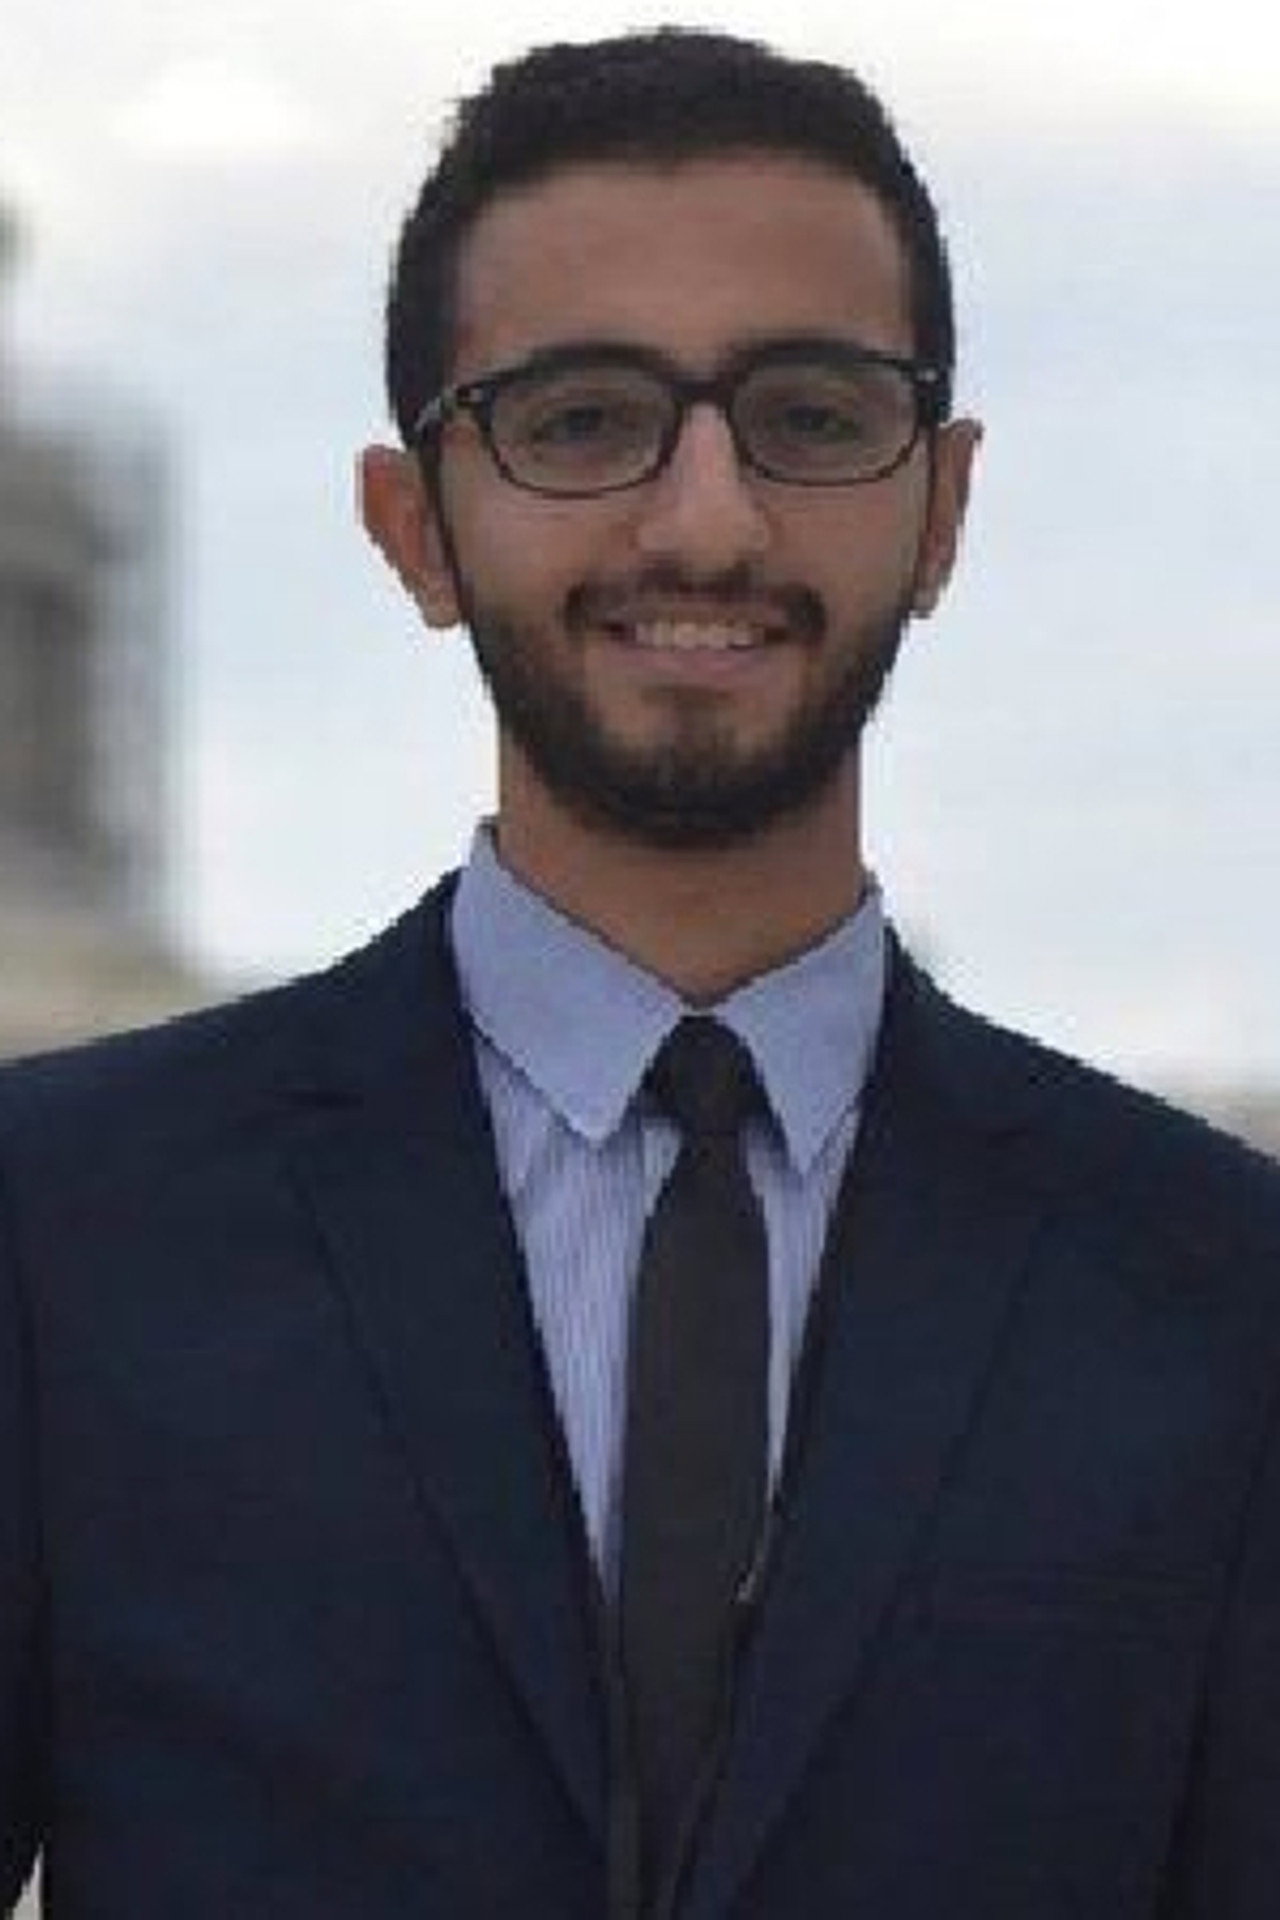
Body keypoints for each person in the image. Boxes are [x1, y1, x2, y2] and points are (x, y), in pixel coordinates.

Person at [2, 27, 1279, 1920]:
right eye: (584, 420)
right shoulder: (57, 1231)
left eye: (813, 417)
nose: (706, 521)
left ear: (943, 508)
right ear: (414, 527)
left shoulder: (1218, 1291)